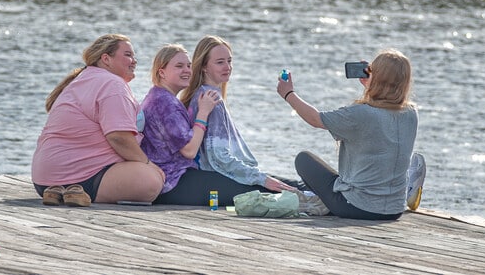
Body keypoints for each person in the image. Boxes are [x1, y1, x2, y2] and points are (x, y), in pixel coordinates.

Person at [276, 49, 425, 220]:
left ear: (377, 77)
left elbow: (316, 119)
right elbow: (386, 106)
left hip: (356, 207)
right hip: (394, 209)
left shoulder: (361, 114)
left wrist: (288, 94)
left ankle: (318, 198)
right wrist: (374, 85)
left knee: (304, 159)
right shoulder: (411, 113)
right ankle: (409, 188)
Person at [141, 44, 286, 206]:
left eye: (188, 65)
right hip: (174, 182)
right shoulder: (165, 104)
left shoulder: (159, 97)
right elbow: (189, 150)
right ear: (162, 72)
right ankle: (305, 195)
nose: (187, 70)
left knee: (266, 185)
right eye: (179, 66)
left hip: (175, 178)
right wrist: (203, 113)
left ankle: (302, 190)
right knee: (265, 192)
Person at [31, 34, 165, 207]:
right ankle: (76, 191)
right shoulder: (112, 84)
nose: (134, 61)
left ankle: (63, 193)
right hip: (82, 176)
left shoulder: (84, 79)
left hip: (43, 180)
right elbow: (119, 137)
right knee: (151, 181)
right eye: (128, 55)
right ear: (106, 59)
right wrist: (148, 164)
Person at [180, 35, 306, 201]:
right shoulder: (211, 99)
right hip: (216, 178)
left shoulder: (201, 94)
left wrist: (259, 176)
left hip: (216, 174)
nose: (228, 67)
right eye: (220, 62)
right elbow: (219, 157)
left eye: (229, 61)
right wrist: (261, 179)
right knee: (300, 192)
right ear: (204, 66)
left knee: (297, 186)